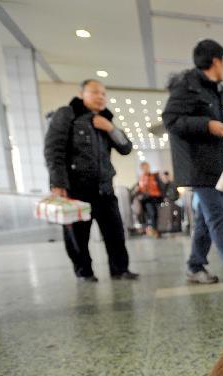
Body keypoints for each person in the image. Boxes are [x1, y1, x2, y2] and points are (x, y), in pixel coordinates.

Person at [162, 38, 223, 289]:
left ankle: (195, 265)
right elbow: (171, 120)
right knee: (217, 215)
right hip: (197, 165)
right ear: (216, 61)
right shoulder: (187, 86)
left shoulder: (213, 89)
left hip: (214, 165)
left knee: (207, 219)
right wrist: (207, 125)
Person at [44, 79, 139, 282]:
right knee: (77, 236)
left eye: (104, 94)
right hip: (76, 189)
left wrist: (110, 128)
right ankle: (84, 272)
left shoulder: (105, 120)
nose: (100, 97)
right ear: (82, 94)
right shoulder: (66, 114)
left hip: (104, 187)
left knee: (115, 233)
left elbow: (126, 148)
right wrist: (58, 183)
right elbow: (53, 149)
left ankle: (120, 269)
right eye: (95, 92)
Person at [138, 161, 167, 237]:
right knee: (152, 214)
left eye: (146, 167)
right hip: (147, 199)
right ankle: (154, 231)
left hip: (156, 198)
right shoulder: (142, 178)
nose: (146, 168)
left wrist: (163, 196)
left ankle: (156, 230)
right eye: (144, 167)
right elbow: (142, 189)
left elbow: (160, 187)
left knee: (156, 214)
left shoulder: (154, 176)